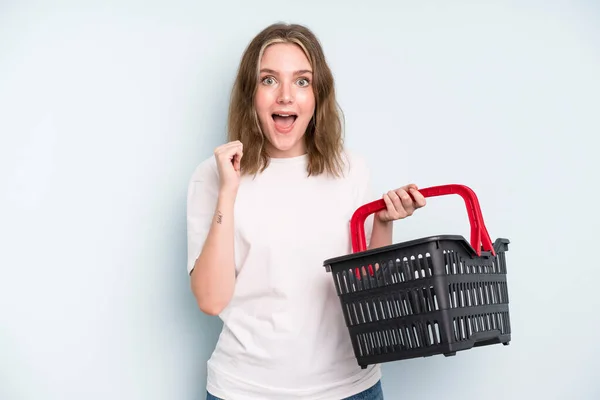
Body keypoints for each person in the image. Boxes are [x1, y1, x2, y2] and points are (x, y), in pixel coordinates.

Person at [186, 22, 426, 400]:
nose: (285, 96)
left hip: (350, 389)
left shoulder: (349, 169)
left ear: (318, 96)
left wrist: (381, 223)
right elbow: (211, 299)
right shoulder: (214, 175)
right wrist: (228, 193)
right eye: (268, 80)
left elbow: (370, 293)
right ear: (251, 93)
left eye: (301, 81)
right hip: (245, 390)